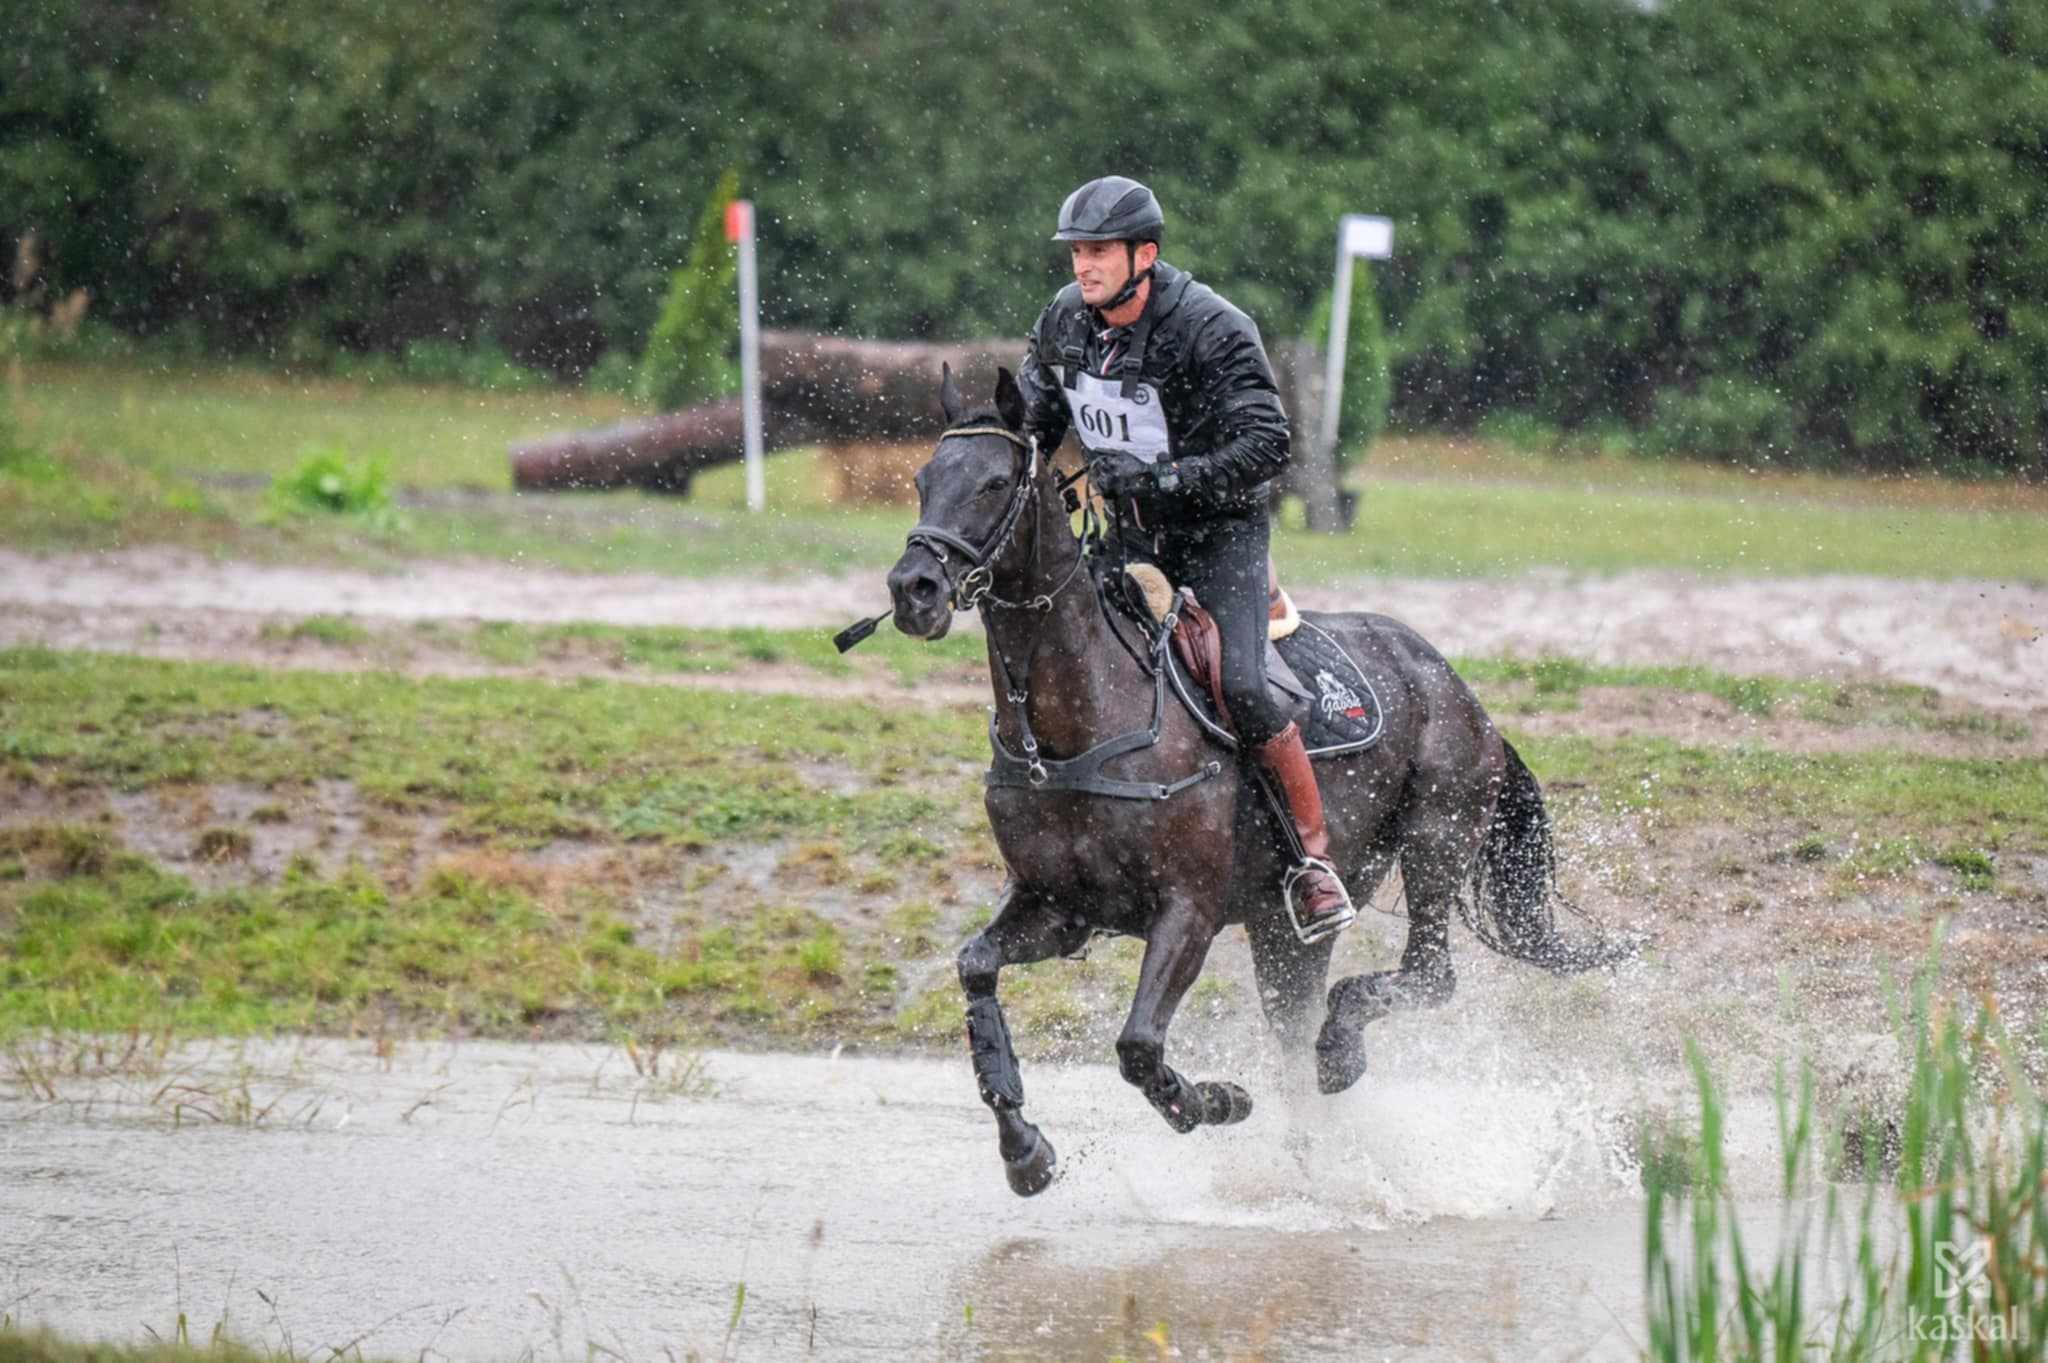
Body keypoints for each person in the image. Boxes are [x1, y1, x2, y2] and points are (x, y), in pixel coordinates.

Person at [1014, 175, 1355, 944]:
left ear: (1147, 254)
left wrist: (1167, 478)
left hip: (1220, 536)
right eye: (1077, 253)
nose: (1083, 268)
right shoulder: (1066, 320)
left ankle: (1313, 862)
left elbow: (1269, 444)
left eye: (1098, 252)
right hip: (1126, 537)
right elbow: (1035, 413)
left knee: (1240, 681)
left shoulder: (1211, 326)